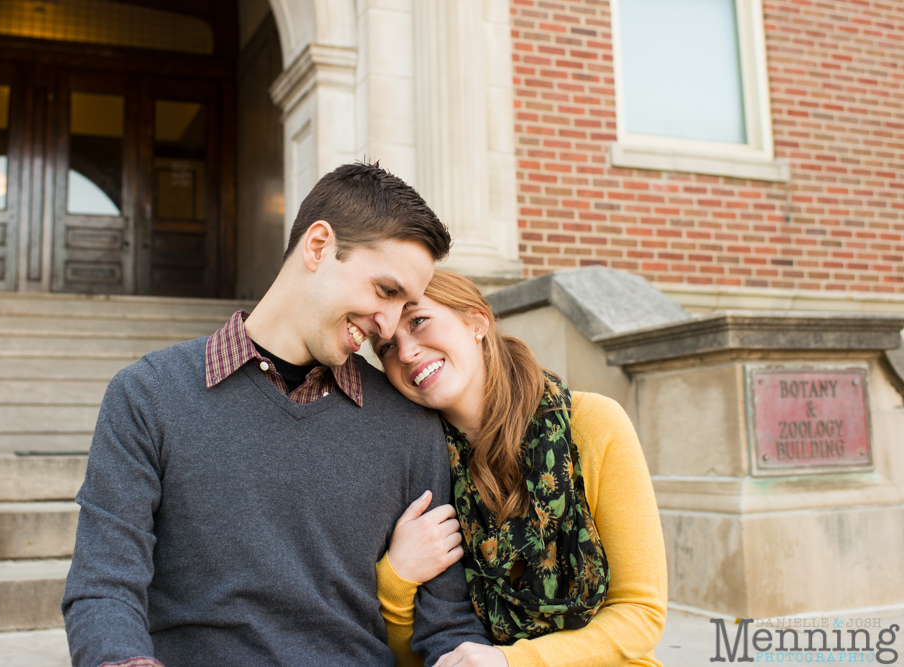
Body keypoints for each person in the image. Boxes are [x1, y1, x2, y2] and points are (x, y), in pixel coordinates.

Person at [61, 164, 492, 667]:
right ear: (317, 247)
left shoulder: (409, 424)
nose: (389, 326)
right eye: (385, 291)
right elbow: (104, 589)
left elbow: (447, 626)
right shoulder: (149, 395)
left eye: (406, 306)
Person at [371, 270, 668, 667]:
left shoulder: (594, 425)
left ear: (477, 322)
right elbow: (420, 657)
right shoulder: (420, 468)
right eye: (386, 346)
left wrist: (512, 662)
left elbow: (641, 615)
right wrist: (396, 581)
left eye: (418, 321)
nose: (406, 353)